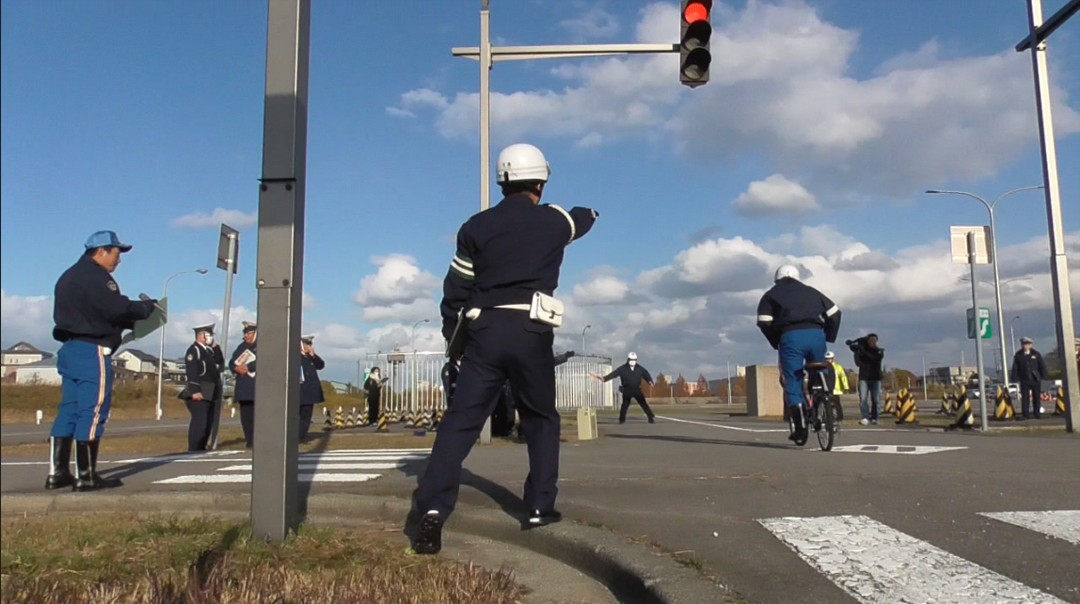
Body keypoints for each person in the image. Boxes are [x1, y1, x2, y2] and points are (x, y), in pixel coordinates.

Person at [411, 142, 598, 555]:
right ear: (542, 181)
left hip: (484, 328)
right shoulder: (554, 223)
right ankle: (538, 507)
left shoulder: (475, 227)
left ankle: (432, 510)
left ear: (502, 181)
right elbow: (582, 217)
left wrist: (453, 336)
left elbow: (455, 289)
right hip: (532, 329)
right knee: (540, 418)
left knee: (461, 422)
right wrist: (588, 215)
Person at [46, 230, 156, 491]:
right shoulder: (98, 277)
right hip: (92, 350)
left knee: (69, 410)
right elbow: (115, 307)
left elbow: (96, 312)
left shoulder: (68, 276)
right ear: (102, 251)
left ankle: (57, 472)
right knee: (93, 410)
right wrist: (144, 310)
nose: (119, 260)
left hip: (69, 348)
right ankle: (87, 476)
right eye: (117, 253)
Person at [756, 264, 842, 442]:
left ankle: (801, 426)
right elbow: (835, 313)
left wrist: (775, 340)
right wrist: (829, 335)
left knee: (793, 379)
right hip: (817, 334)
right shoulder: (811, 291)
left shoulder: (771, 294)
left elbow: (764, 321)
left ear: (777, 279)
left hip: (791, 337)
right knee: (819, 369)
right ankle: (824, 397)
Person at [180, 323, 224, 452]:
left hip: (210, 387)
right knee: (200, 421)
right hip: (200, 388)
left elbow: (219, 360)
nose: (210, 337)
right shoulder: (194, 350)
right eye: (208, 335)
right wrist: (195, 391)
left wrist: (215, 346)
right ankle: (194, 448)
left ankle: (201, 446)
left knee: (208, 420)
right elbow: (192, 371)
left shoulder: (207, 350)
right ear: (201, 336)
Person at [591, 352, 655, 424]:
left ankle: (650, 417)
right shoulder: (622, 368)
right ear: (628, 359)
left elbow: (646, 374)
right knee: (625, 405)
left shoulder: (640, 369)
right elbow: (614, 374)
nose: (633, 361)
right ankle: (622, 419)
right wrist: (604, 379)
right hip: (627, 389)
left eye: (634, 360)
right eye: (631, 359)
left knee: (643, 404)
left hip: (637, 389)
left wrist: (650, 381)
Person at [229, 321, 257, 448]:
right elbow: (232, 362)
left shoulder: (264, 345)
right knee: (246, 418)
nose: (246, 336)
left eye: (249, 333)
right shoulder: (242, 347)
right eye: (245, 333)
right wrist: (236, 368)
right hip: (244, 388)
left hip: (258, 388)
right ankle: (250, 441)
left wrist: (248, 366)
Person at [848, 334, 885, 425]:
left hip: (876, 378)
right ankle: (865, 416)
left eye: (874, 340)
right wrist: (856, 351)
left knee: (876, 399)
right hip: (864, 378)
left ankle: (875, 417)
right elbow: (858, 363)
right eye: (870, 340)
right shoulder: (862, 351)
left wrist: (862, 350)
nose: (872, 342)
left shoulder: (879, 351)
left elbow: (874, 358)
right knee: (863, 399)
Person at [1011, 336, 1048, 420]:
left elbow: (1041, 365)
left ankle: (1037, 413)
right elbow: (1015, 367)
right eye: (1024, 344)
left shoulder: (1036, 354)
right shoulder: (1018, 355)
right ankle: (1025, 414)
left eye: (1027, 344)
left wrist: (1044, 376)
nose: (1025, 346)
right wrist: (1014, 378)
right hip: (1024, 379)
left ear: (1031, 345)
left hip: (1035, 379)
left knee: (1036, 397)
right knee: (1025, 397)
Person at [299, 334, 325, 442]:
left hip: (309, 392)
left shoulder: (310, 357)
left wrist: (313, 355)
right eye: (306, 344)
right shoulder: (296, 356)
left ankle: (302, 436)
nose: (308, 346)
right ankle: (296, 436)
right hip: (299, 391)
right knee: (297, 416)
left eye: (309, 344)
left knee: (306, 416)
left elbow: (321, 365)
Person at [824, 350, 848, 421]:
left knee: (837, 404)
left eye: (830, 358)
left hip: (836, 389)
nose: (828, 360)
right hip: (828, 388)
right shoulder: (824, 367)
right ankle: (829, 417)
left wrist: (845, 386)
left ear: (833, 358)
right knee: (828, 404)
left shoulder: (838, 367)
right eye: (827, 359)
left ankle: (840, 416)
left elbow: (843, 377)